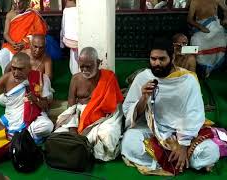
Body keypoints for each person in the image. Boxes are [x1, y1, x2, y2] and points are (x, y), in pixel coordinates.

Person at [121, 38, 220, 176]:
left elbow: (194, 113)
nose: (157, 63)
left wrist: (184, 145)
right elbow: (128, 111)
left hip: (183, 132)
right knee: (128, 143)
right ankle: (181, 162)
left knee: (210, 152)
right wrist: (143, 98)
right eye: (153, 59)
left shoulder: (187, 80)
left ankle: (172, 159)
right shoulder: (143, 77)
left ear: (172, 57)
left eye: (162, 59)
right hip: (153, 130)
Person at [54, 47, 124, 161]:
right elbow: (71, 108)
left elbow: (113, 107)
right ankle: (82, 146)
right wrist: (73, 128)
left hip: (102, 118)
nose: (85, 69)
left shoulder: (109, 77)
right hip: (80, 116)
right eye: (82, 66)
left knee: (108, 134)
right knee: (59, 135)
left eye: (89, 66)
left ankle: (84, 148)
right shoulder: (75, 79)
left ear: (98, 63)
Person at [0, 52, 53, 143]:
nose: (16, 73)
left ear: (29, 68)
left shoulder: (40, 78)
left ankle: (14, 137)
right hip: (10, 118)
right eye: (13, 68)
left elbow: (45, 106)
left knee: (47, 127)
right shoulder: (6, 79)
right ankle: (23, 137)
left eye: (20, 69)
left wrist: (35, 99)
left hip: (33, 118)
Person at [0, 0, 47, 74]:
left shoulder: (33, 14)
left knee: (16, 59)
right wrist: (13, 43)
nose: (17, 5)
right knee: (1, 55)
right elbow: (5, 33)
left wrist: (24, 43)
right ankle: (7, 77)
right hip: (12, 45)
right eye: (15, 3)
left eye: (20, 2)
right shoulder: (10, 15)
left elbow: (39, 33)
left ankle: (23, 79)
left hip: (28, 45)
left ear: (26, 2)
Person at [188, 0, 227, 77]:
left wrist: (225, 19)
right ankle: (204, 68)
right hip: (201, 26)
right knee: (196, 41)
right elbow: (189, 19)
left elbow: (226, 9)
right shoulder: (195, 1)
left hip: (215, 25)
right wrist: (200, 27)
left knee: (222, 39)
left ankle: (213, 68)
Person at [60, 0, 79, 75]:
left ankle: (75, 74)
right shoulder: (81, 11)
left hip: (70, 40)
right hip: (80, 40)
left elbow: (63, 27)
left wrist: (61, 42)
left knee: (74, 58)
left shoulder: (66, 11)